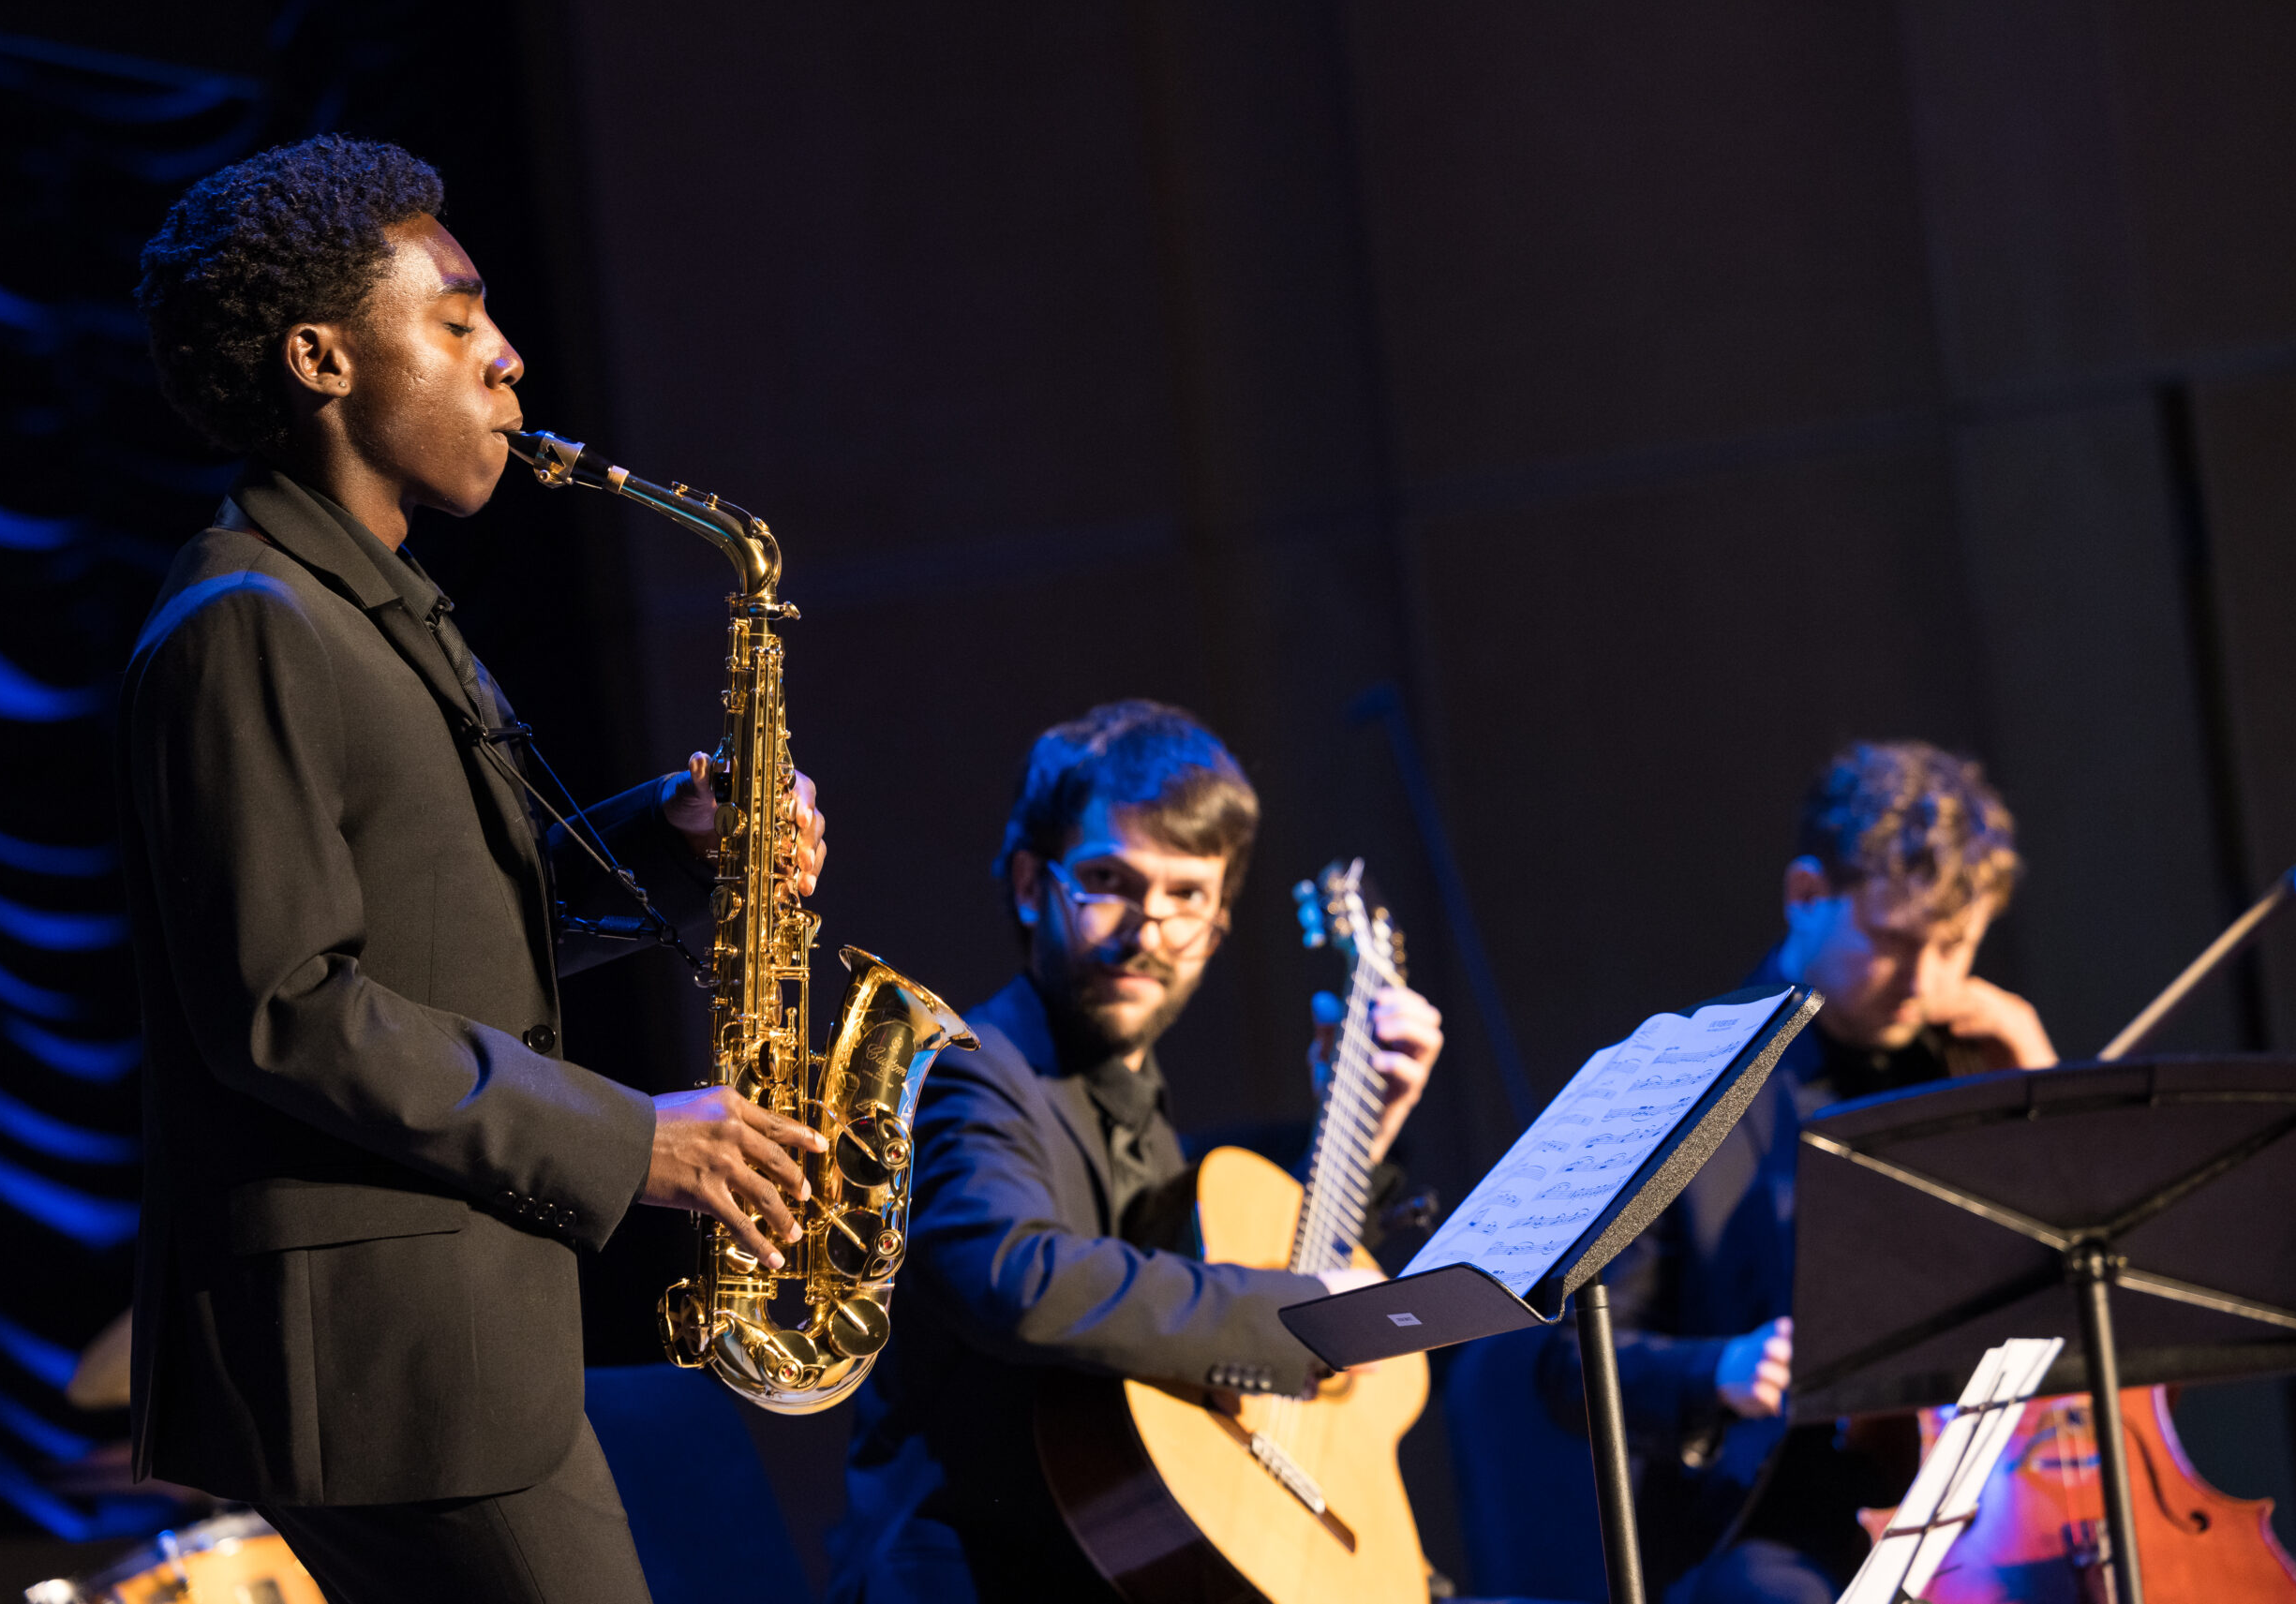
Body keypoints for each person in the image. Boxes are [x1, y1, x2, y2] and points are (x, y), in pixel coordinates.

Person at [119, 136, 829, 1603]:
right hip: (383, 1365)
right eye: (455, 319)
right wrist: (639, 1139)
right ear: (322, 357)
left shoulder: (372, 607)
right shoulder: (244, 621)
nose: (506, 360)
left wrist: (678, 843)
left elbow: (451, 939)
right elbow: (289, 1008)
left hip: (447, 1341)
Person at [827, 700, 1448, 1603]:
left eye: (1187, 896)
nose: (1148, 929)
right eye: (1111, 881)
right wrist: (1304, 1319)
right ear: (1034, 883)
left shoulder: (1147, 1117)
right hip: (977, 1574)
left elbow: (1180, 1280)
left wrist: (1365, 1124)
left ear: (1222, 919)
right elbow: (1013, 1274)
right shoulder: (970, 1071)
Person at [1536, 741, 2057, 1604]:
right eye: (1893, 942)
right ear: (1806, 895)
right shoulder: (1683, 1084)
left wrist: (2042, 1085)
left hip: (2000, 1498)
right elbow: (1564, 1366)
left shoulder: (1986, 1056)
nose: (1925, 984)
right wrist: (1719, 1369)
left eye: (1955, 947)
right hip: (1782, 1521)